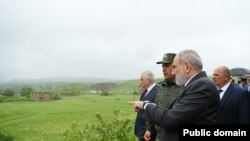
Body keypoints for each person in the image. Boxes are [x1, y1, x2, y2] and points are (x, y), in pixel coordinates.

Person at [133, 49, 220, 141]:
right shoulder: (193, 85)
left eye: (174, 67)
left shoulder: (201, 86)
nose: (173, 72)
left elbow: (171, 120)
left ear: (186, 67)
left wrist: (146, 105)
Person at [144, 53, 181, 141]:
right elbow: (155, 108)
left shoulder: (184, 87)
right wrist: (148, 129)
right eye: (163, 66)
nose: (164, 69)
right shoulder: (160, 87)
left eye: (167, 65)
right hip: (159, 136)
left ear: (176, 66)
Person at [134, 71, 157, 141]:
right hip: (141, 131)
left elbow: (156, 111)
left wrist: (149, 130)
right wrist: (139, 108)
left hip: (148, 132)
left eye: (141, 79)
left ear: (148, 80)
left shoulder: (157, 91)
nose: (140, 82)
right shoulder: (146, 90)